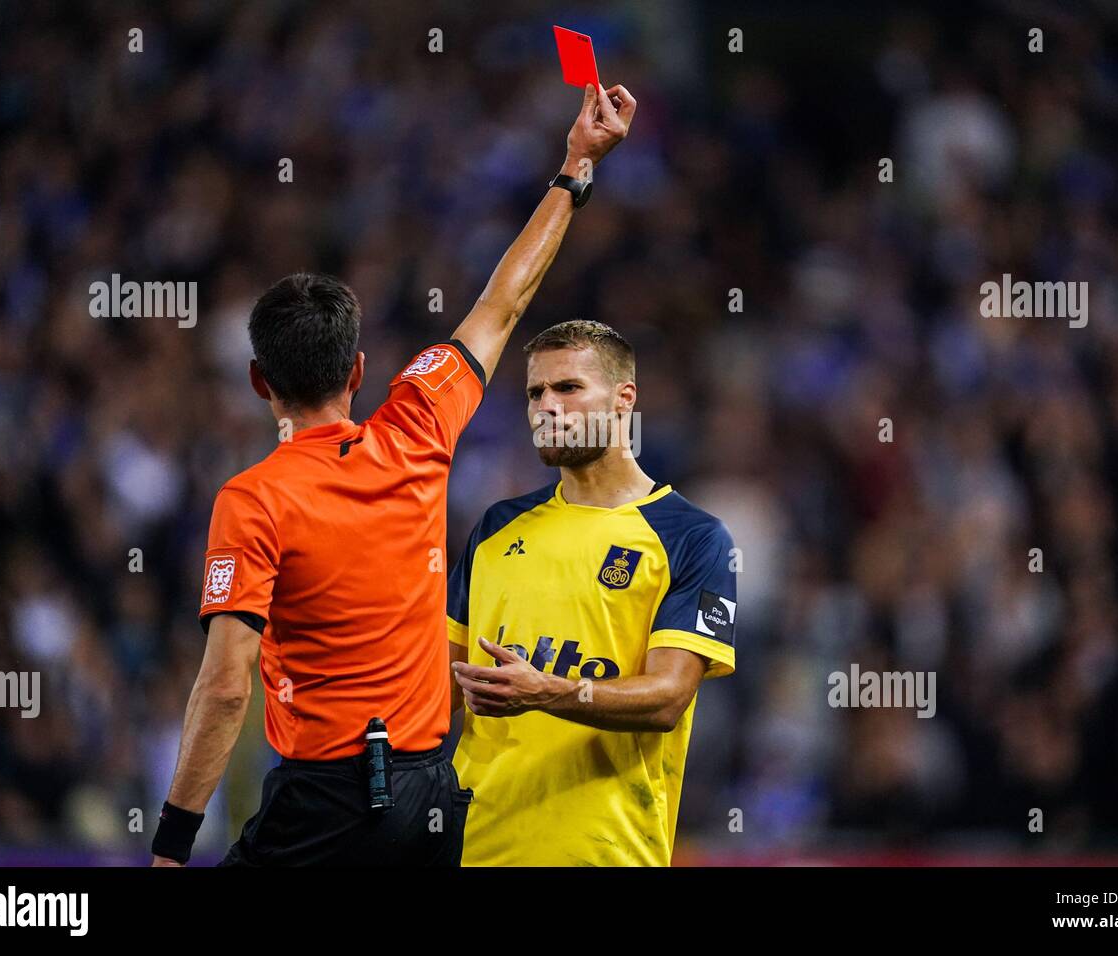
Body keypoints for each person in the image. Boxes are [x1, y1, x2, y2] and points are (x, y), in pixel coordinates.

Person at [150, 82, 637, 866]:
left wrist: (172, 842)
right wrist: (576, 167)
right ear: (360, 369)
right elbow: (503, 303)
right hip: (429, 799)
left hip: (322, 801)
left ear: (258, 382)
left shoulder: (251, 502)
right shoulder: (418, 426)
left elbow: (225, 688)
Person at [447, 320, 738, 866]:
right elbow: (438, 688)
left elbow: (668, 698)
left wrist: (546, 693)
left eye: (568, 388)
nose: (545, 407)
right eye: (535, 392)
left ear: (624, 398)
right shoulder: (496, 528)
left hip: (605, 852)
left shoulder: (691, 538)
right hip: (475, 847)